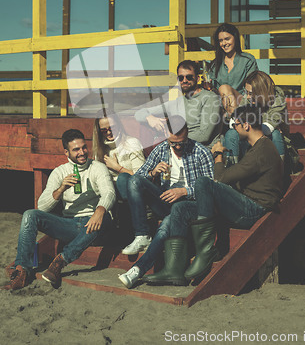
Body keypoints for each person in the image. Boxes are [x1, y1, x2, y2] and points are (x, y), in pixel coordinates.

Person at [143, 104, 283, 286]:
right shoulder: (257, 148)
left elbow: (221, 178)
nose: (234, 128)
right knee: (180, 208)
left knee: (203, 182)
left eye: (235, 125)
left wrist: (217, 156)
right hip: (246, 202)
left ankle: (205, 251)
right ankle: (173, 269)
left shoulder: (261, 150)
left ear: (246, 125)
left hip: (254, 209)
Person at [6, 129, 116, 290]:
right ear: (66, 152)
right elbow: (42, 207)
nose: (82, 152)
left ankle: (60, 262)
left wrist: (99, 210)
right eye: (76, 150)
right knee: (30, 214)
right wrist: (61, 189)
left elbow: (109, 193)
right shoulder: (60, 172)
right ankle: (22, 270)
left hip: (94, 225)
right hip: (70, 225)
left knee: (105, 215)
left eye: (84, 147)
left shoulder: (97, 167)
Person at [117, 115, 214, 288]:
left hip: (190, 205)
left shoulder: (201, 152)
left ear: (187, 134)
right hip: (165, 201)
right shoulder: (161, 149)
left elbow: (209, 189)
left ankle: (137, 270)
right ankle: (142, 235)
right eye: (172, 143)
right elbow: (139, 177)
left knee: (164, 227)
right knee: (132, 180)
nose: (177, 147)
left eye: (181, 143)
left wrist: (184, 191)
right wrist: (153, 173)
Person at [135, 59, 222, 148]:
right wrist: (149, 118)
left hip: (200, 150)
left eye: (189, 77)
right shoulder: (176, 102)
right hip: (177, 148)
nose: (184, 81)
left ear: (198, 78)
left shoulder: (209, 97)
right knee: (145, 131)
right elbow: (138, 113)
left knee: (158, 142)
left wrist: (171, 138)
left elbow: (204, 136)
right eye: (181, 78)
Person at [225, 71, 287, 160]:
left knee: (275, 134)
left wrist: (245, 123)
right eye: (246, 92)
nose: (247, 97)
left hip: (268, 142)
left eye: (250, 93)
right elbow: (234, 121)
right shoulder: (249, 99)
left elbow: (268, 128)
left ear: (261, 92)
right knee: (231, 133)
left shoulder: (278, 101)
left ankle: (278, 168)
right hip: (249, 138)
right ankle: (231, 167)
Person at [207, 23, 258, 116]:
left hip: (244, 102)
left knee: (224, 88)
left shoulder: (247, 60)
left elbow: (253, 87)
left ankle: (234, 119)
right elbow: (213, 91)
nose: (224, 43)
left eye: (227, 39)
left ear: (235, 38)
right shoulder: (215, 64)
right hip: (221, 105)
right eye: (221, 40)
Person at [92, 111, 145, 201]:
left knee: (122, 178)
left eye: (112, 128)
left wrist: (117, 168)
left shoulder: (132, 143)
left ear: (118, 125)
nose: (109, 132)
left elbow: (141, 176)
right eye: (104, 130)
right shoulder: (100, 149)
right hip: (110, 193)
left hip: (133, 193)